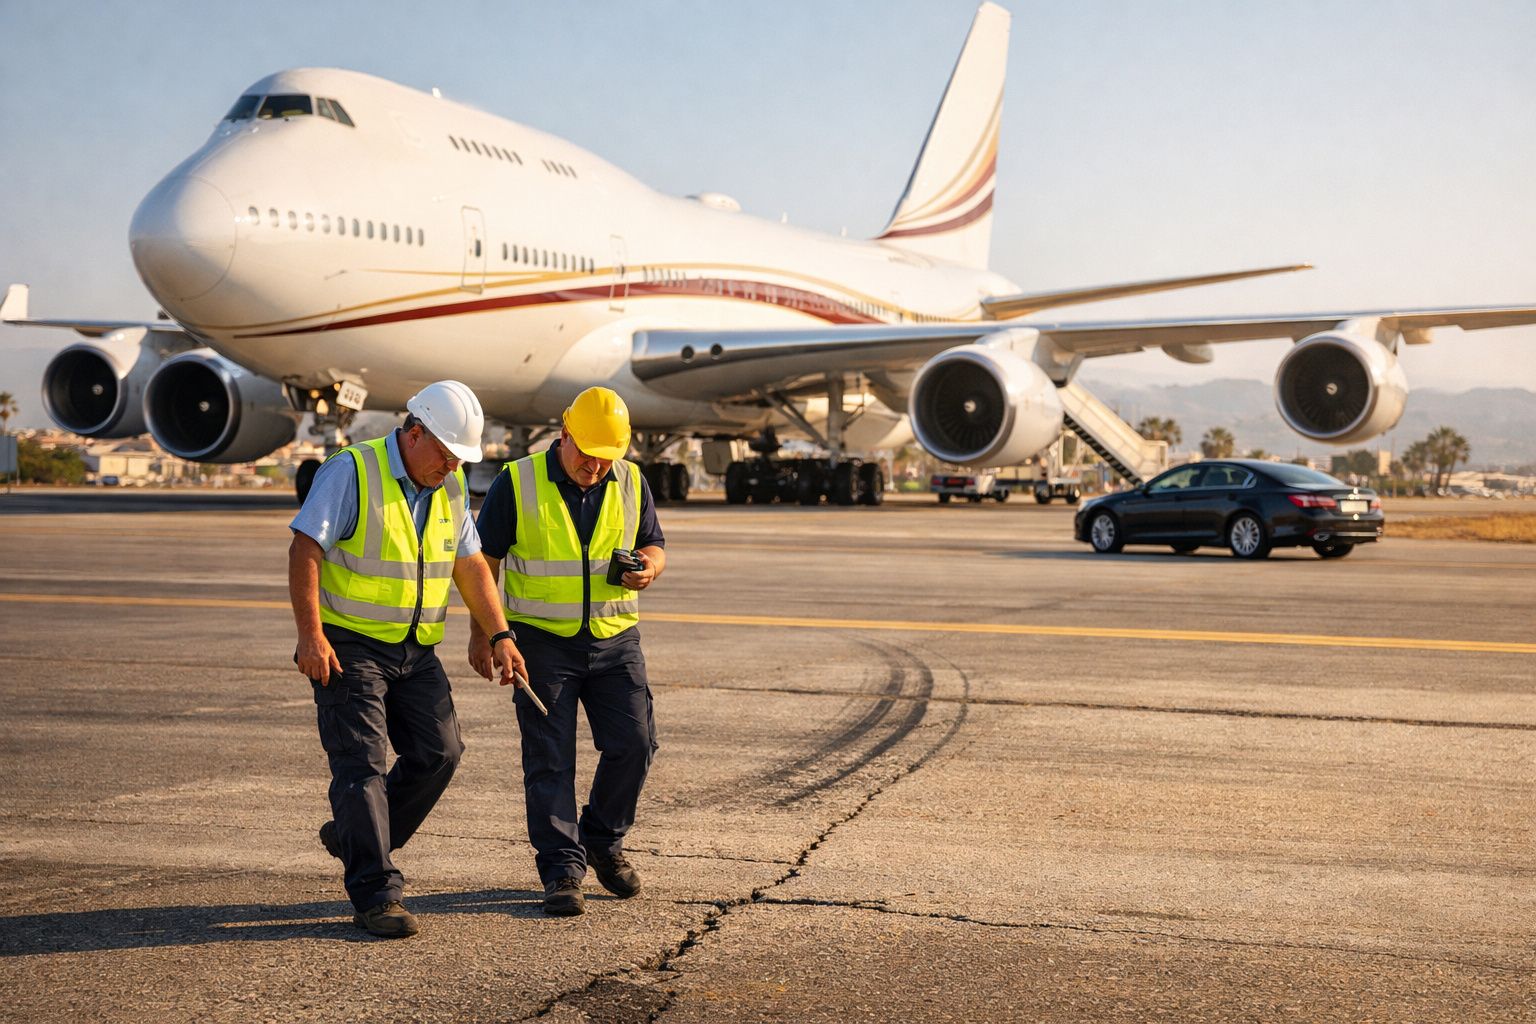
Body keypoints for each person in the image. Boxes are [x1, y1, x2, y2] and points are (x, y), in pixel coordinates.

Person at [288, 379, 527, 938]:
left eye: (458, 458)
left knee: (440, 752)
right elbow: (305, 548)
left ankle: (356, 837)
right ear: (412, 432)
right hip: (350, 646)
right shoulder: (352, 470)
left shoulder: (450, 483)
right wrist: (311, 636)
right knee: (361, 767)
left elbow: (470, 564)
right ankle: (377, 893)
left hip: (416, 648)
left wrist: (500, 635)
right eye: (444, 454)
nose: (450, 466)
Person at [470, 386, 665, 916]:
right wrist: (486, 631)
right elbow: (483, 562)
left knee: (636, 743)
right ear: (565, 435)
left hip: (615, 640)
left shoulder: (629, 479)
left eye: (607, 459)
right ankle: (561, 870)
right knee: (550, 760)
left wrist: (648, 568)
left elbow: (654, 543)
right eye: (587, 455)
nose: (596, 468)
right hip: (540, 644)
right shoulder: (518, 480)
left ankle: (603, 839)